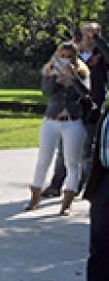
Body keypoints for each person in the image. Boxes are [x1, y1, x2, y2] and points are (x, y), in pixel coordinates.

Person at [56, 31, 109, 281]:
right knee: (101, 251)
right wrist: (75, 84)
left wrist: (97, 37)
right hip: (104, 180)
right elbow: (93, 110)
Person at [43, 22, 107, 198]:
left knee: (86, 151)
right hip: (74, 107)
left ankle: (81, 185)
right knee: (63, 149)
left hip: (92, 106)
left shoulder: (102, 54)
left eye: (91, 34)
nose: (86, 37)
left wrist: (98, 41)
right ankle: (56, 185)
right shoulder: (73, 55)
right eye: (84, 33)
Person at [27, 42, 90, 215]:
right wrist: (55, 77)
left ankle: (67, 203)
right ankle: (35, 198)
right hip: (51, 120)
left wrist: (73, 78)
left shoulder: (82, 72)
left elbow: (85, 93)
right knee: (43, 160)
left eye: (68, 56)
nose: (64, 59)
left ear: (74, 58)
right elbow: (46, 93)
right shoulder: (49, 71)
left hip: (72, 121)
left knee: (72, 162)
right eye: (62, 55)